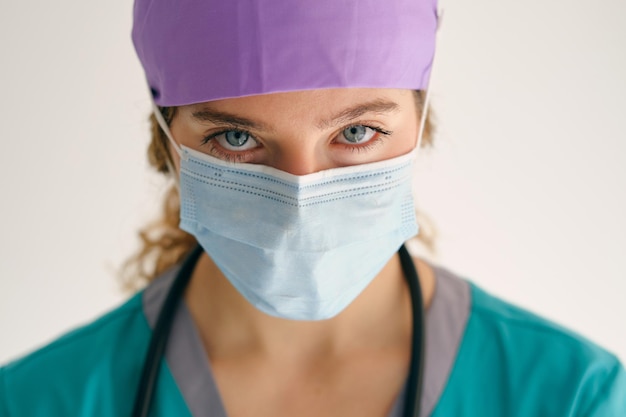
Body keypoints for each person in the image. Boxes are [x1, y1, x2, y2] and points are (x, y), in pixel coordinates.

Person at [1, 0, 624, 416]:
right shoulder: (37, 400)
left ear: (420, 123)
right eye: (237, 138)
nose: (300, 196)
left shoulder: (571, 395)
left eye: (356, 133)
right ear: (166, 145)